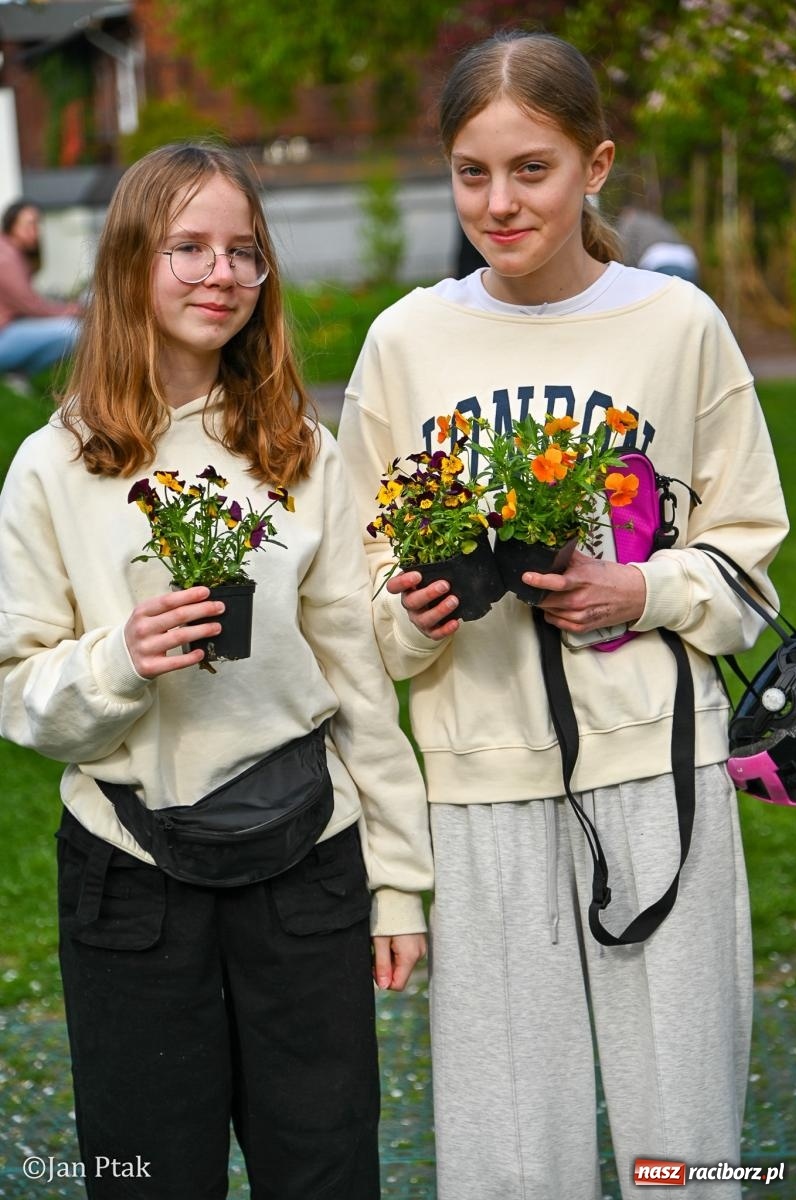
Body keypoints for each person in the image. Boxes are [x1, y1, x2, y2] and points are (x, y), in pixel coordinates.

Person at [336, 31, 788, 1200]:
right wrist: (418, 612)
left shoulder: (677, 325)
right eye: (471, 172)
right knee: (507, 1154)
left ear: (596, 165)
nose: (499, 202)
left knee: (680, 1142)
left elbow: (750, 566)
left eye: (530, 169)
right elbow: (354, 596)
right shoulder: (404, 342)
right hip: (478, 787)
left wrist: (641, 588)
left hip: (660, 776)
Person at [0, 143, 432, 1200]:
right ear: (128, 262)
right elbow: (19, 691)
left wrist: (397, 884)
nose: (221, 273)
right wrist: (118, 659)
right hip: (130, 878)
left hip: (307, 869)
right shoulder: (54, 465)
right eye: (187, 247)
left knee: (323, 1170)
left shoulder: (299, 449)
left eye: (243, 251)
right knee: (148, 1175)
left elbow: (357, 681)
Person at [0, 198, 82, 376]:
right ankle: (18, 374)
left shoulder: (12, 253)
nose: (36, 231)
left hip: (9, 329)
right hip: (3, 336)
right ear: (12, 225)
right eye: (30, 224)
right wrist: (70, 310)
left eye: (38, 224)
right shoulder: (5, 258)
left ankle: (17, 374)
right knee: (75, 331)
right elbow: (32, 306)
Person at [616, 203, 701, 283]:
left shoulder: (630, 221)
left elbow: (624, 250)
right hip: (687, 258)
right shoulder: (656, 219)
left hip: (659, 261)